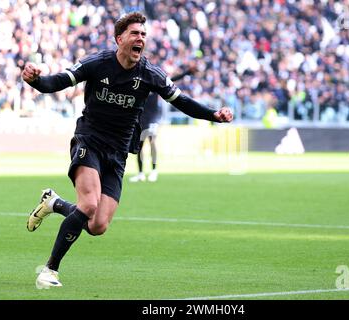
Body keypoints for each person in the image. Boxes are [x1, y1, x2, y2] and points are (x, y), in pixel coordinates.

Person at [21, 12, 233, 288]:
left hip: (118, 153)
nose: (140, 39)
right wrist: (36, 80)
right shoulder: (97, 64)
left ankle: (54, 203)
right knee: (88, 204)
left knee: (98, 226)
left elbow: (183, 102)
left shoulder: (150, 74)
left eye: (144, 35)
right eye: (135, 33)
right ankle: (50, 270)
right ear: (119, 38)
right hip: (89, 141)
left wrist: (213, 115)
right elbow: (57, 82)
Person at [129, 61, 198, 182]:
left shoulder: (154, 83)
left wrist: (187, 72)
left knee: (152, 141)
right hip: (141, 118)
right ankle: (140, 173)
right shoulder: (136, 85)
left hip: (153, 117)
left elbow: (172, 80)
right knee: (139, 146)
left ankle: (154, 171)